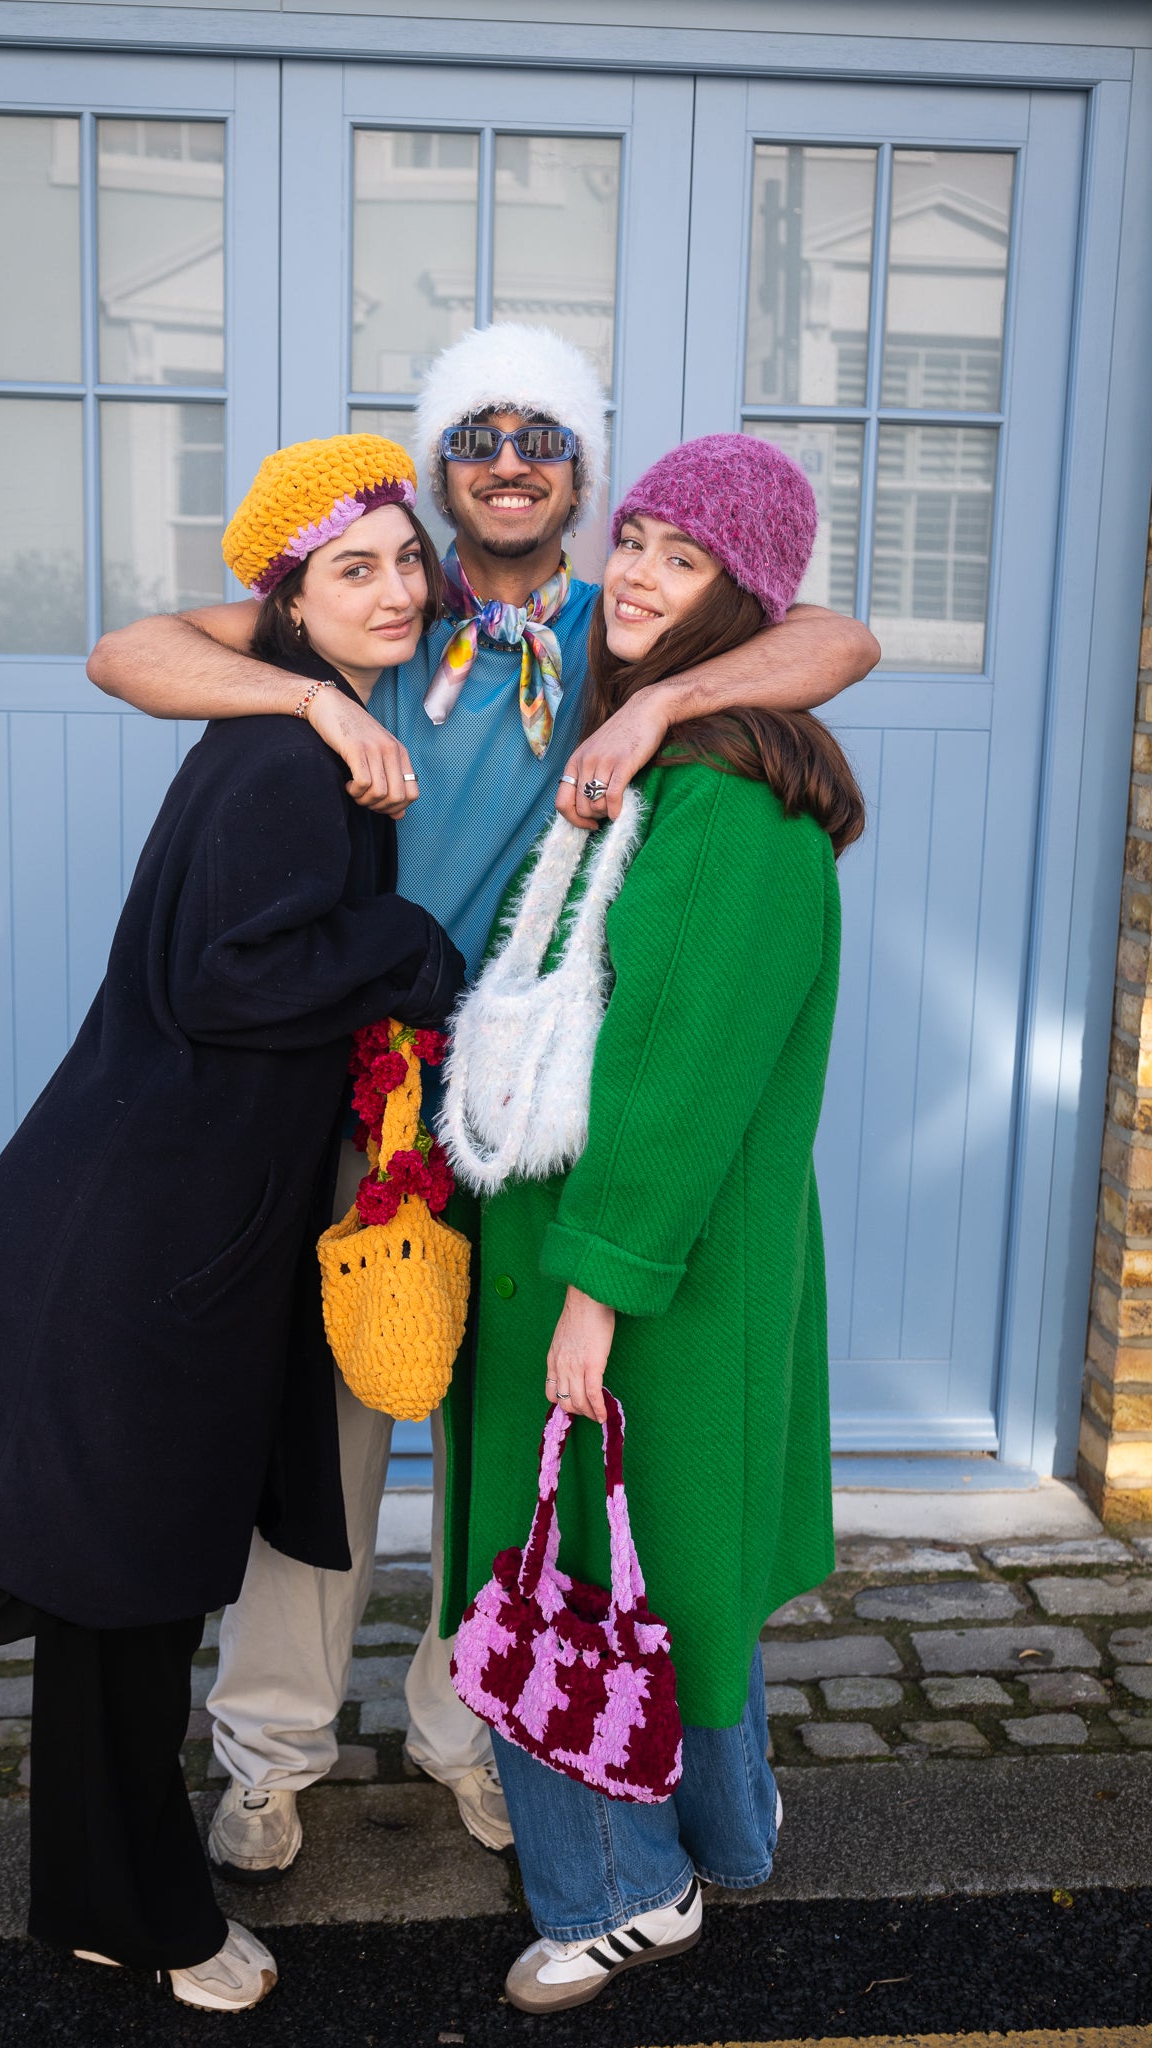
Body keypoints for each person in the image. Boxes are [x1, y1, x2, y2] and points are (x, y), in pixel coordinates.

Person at [86, 322, 880, 1880]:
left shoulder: (623, 625)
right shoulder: (376, 606)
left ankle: (478, 1730)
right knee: (319, 1433)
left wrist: (650, 707)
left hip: (529, 1110)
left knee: (501, 1436)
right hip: (354, 1087)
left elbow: (838, 641)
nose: (509, 459)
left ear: (581, 474)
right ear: (442, 466)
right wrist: (310, 703)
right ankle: (271, 1746)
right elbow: (126, 653)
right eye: (477, 435)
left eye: (543, 437)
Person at [0, 435, 462, 2014]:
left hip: (177, 1237)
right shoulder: (290, 758)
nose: (392, 590)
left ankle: (123, 1908)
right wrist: (409, 940)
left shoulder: (316, 730)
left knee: (133, 1592)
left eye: (404, 560)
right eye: (348, 567)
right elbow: (226, 979)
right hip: (128, 1252)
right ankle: (135, 1908)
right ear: (283, 602)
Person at [437, 433, 864, 2014]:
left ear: (737, 603)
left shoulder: (727, 803)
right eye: (635, 538)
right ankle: (730, 1833)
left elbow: (676, 1076)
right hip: (644, 1248)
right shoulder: (663, 763)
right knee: (669, 1559)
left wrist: (594, 1296)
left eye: (682, 559)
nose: (633, 573)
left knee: (573, 1573)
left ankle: (622, 1890)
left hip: (636, 1262)